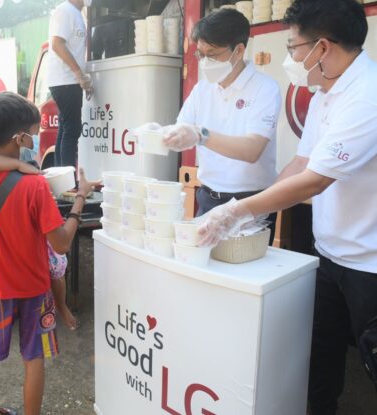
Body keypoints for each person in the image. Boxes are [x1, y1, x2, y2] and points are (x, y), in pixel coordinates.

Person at [197, 1, 377, 414]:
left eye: (293, 47)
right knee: (322, 359)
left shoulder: (366, 96)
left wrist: (234, 211)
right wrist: (257, 213)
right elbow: (301, 163)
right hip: (330, 253)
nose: (289, 57)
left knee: (370, 360)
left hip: (370, 264)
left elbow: (315, 180)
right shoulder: (325, 92)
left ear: (322, 47)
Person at [0, 92, 98, 415]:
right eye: (33, 133)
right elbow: (61, 243)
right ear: (19, 137)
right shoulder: (34, 186)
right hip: (34, 287)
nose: (35, 139)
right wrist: (79, 200)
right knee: (33, 358)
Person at [149, 8, 281, 241]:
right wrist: (161, 134)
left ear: (239, 50)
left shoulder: (265, 88)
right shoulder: (203, 89)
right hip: (208, 197)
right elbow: (184, 130)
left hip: (250, 202)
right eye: (201, 54)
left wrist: (202, 135)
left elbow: (252, 150)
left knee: (245, 272)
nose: (205, 62)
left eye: (213, 54)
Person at [0, 153, 77, 330]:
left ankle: (60, 306)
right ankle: (61, 306)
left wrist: (16, 164)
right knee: (34, 345)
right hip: (31, 280)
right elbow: (62, 245)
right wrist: (79, 200)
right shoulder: (37, 189)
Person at [48, 0, 93, 169]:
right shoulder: (65, 10)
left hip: (66, 80)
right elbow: (57, 44)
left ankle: (63, 178)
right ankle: (68, 181)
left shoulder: (77, 13)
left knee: (66, 128)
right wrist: (78, 73)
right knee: (72, 129)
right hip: (65, 80)